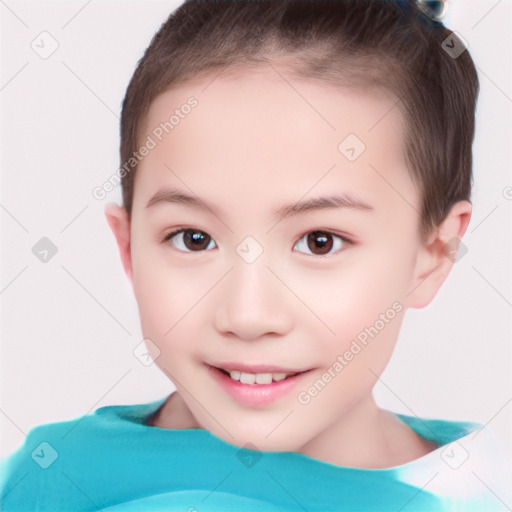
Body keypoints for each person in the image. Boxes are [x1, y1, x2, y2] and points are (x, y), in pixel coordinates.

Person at [1, 0, 510, 510]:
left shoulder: (474, 497)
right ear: (129, 245)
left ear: (435, 253)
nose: (248, 316)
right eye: (193, 239)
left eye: (320, 242)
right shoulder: (55, 478)